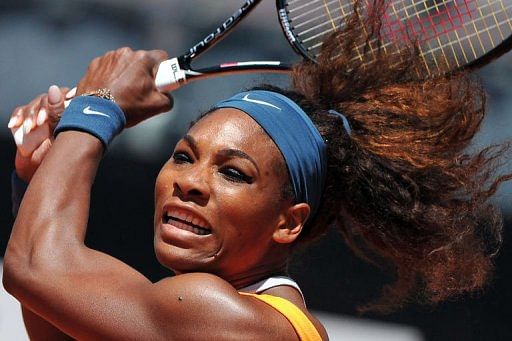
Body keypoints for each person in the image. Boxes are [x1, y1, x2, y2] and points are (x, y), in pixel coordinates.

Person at [3, 13, 509, 340]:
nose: (191, 182)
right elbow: (48, 300)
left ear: (289, 222)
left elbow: (35, 270)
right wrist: (41, 169)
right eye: (183, 156)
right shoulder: (248, 317)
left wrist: (98, 106)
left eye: (233, 173)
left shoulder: (227, 320)